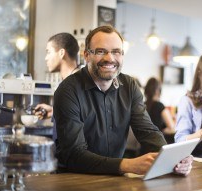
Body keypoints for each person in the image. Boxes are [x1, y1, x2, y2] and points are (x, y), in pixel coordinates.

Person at [53, 25, 193, 175]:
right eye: (101, 51)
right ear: (87, 55)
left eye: (116, 52)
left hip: (115, 178)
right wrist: (127, 165)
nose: (110, 58)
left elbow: (147, 131)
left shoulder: (129, 86)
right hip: (75, 180)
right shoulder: (68, 90)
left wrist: (172, 159)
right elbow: (74, 154)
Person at [34, 32, 80, 120]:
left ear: (62, 53)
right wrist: (54, 112)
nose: (46, 58)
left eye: (48, 52)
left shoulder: (78, 84)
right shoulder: (69, 82)